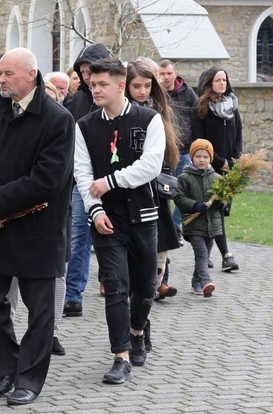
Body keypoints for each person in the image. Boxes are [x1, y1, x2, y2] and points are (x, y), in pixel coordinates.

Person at [0, 48, 74, 406]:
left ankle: (29, 379)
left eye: (9, 73)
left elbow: (49, 178)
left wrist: (0, 202)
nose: (1, 79)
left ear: (32, 74)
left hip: (37, 230)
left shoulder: (57, 119)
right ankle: (10, 368)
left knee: (40, 310)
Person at [74, 58, 165, 384]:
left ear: (119, 84)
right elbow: (82, 173)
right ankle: (120, 356)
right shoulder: (84, 125)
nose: (94, 89)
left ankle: (138, 331)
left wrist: (110, 181)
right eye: (91, 84)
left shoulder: (149, 119)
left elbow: (151, 165)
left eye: (101, 84)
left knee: (146, 288)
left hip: (143, 217)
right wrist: (95, 209)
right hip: (107, 221)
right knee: (115, 287)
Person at [125, 60, 181, 299]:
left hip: (156, 184)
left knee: (161, 235)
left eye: (147, 85)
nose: (142, 91)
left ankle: (156, 284)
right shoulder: (122, 112)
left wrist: (165, 172)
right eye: (137, 86)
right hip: (130, 185)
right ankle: (138, 286)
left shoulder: (158, 109)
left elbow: (168, 147)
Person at [64, 42, 111, 317]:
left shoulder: (115, 95)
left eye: (89, 70)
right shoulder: (78, 99)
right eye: (81, 71)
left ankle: (113, 281)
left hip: (113, 178)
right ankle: (73, 295)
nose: (86, 77)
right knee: (80, 232)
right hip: (82, 178)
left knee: (111, 234)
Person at [190, 66, 241, 272]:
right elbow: (199, 139)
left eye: (224, 80)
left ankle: (205, 254)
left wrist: (236, 160)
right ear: (209, 82)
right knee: (216, 209)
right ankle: (226, 255)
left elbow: (238, 135)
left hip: (230, 167)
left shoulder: (232, 106)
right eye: (218, 80)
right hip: (209, 165)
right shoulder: (201, 108)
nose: (222, 83)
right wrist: (218, 161)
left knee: (218, 209)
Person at [175, 139, 222, 297]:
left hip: (211, 224)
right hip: (194, 224)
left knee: (205, 254)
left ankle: (196, 282)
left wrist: (220, 204)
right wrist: (195, 205)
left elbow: (225, 198)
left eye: (205, 157)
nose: (202, 160)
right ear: (191, 158)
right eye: (198, 156)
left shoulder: (216, 177)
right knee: (201, 253)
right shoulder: (185, 177)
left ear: (210, 159)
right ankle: (205, 281)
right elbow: (179, 198)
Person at [159, 60, 197, 245]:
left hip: (184, 151)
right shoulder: (157, 94)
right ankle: (166, 229)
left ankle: (176, 225)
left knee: (184, 191)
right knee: (164, 191)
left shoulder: (188, 93)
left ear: (176, 73)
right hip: (164, 153)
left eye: (168, 73)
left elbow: (196, 117)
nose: (165, 77)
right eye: (162, 74)